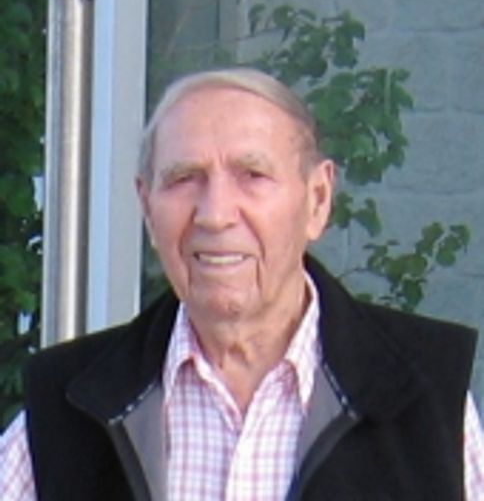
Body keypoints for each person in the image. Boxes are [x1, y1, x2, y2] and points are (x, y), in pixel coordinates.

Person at [1, 68, 483, 500]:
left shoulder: (424, 402)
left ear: (317, 200)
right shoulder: (66, 411)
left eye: (252, 175)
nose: (215, 214)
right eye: (185, 178)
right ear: (147, 207)